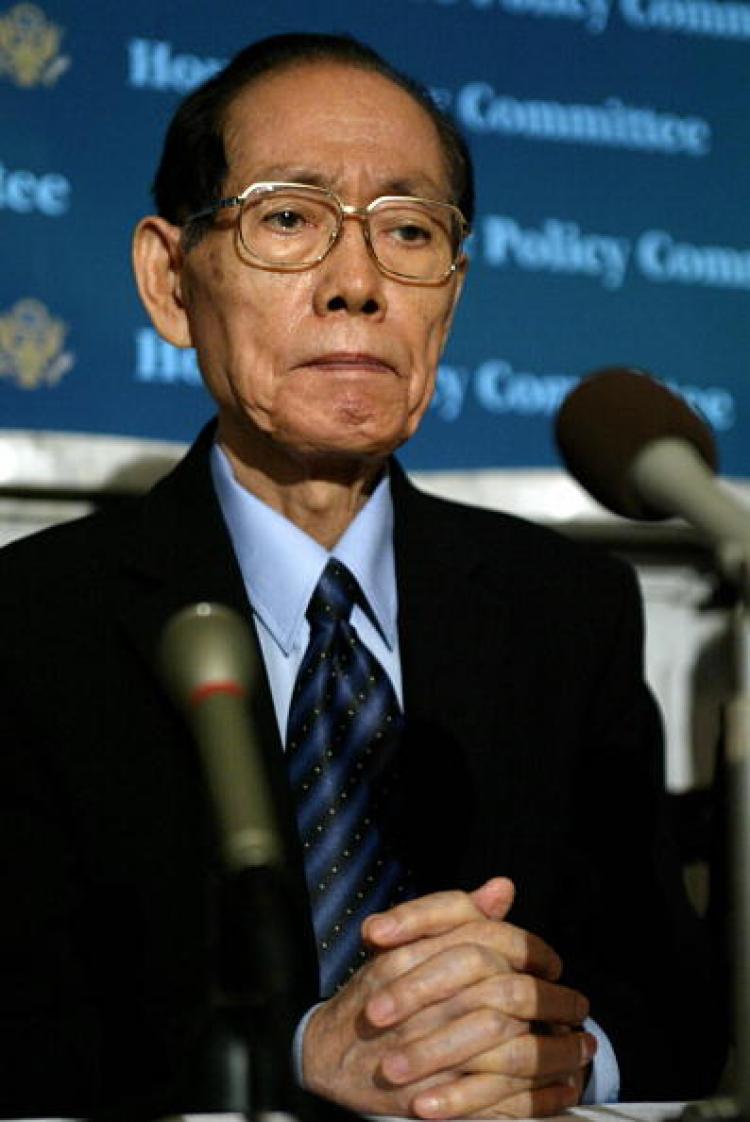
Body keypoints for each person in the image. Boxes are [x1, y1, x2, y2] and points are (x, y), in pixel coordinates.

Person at [0, 32, 727, 1120]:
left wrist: (554, 1051)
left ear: (452, 291)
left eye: (409, 232)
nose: (358, 284)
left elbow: (673, 1007)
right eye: (288, 219)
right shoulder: (29, 622)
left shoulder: (565, 611)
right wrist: (304, 1053)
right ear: (170, 279)